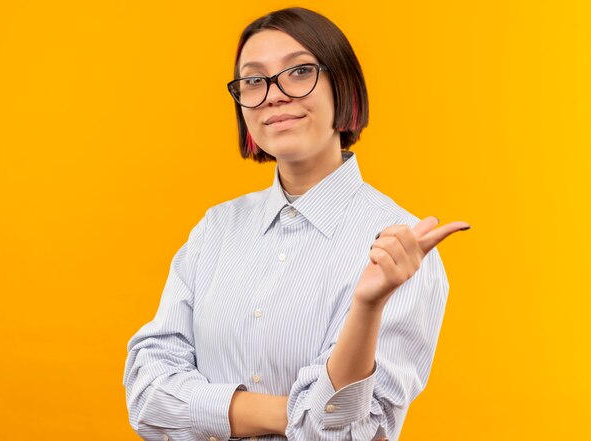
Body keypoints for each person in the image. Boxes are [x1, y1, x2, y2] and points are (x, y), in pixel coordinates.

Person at [122, 6, 470, 441]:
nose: (273, 95)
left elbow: (349, 433)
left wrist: (366, 307)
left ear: (342, 85)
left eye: (299, 72)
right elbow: (147, 394)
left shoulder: (401, 248)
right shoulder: (216, 229)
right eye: (253, 80)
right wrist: (295, 411)